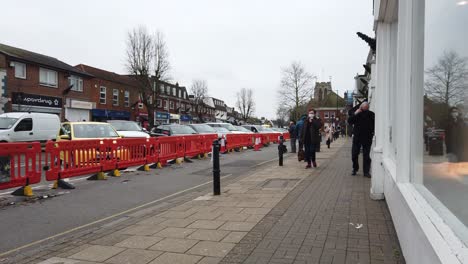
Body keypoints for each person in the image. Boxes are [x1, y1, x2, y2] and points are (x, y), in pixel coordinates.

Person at [348, 102, 375, 177]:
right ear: (361, 107)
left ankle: (366, 171)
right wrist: (355, 113)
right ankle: (355, 168)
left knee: (366, 155)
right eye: (364, 107)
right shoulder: (357, 113)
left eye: (367, 107)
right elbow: (349, 121)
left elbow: (375, 125)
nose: (366, 108)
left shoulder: (371, 114)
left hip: (367, 137)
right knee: (354, 154)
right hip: (357, 137)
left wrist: (373, 133)